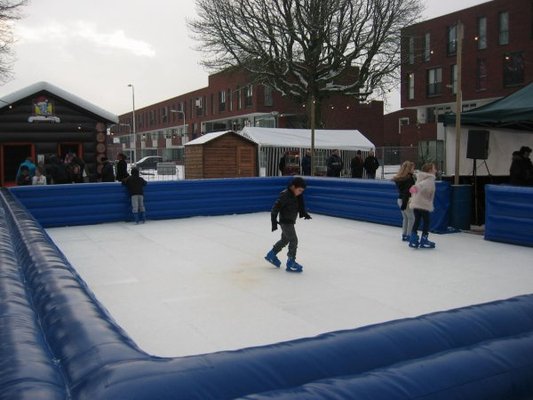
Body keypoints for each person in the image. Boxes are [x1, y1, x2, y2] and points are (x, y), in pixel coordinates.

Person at [265, 177, 312, 273]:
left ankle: (271, 254)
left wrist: (304, 213)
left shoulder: (295, 195)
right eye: (299, 190)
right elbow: (275, 208)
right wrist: (274, 221)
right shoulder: (285, 195)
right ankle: (291, 262)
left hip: (289, 221)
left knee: (285, 240)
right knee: (293, 240)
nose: (300, 193)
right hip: (286, 222)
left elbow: (298, 205)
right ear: (293, 187)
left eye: (302, 191)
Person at [408, 162, 437, 249]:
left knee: (417, 220)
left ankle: (413, 238)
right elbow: (420, 186)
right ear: (430, 170)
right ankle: (424, 240)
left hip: (417, 203)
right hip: (423, 204)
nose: (436, 170)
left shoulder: (421, 177)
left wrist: (414, 193)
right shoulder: (430, 179)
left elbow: (417, 187)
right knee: (426, 221)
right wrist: (415, 189)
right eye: (434, 168)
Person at [392, 161, 416, 241]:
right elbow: (407, 192)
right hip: (406, 200)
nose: (414, 169)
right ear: (409, 169)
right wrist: (405, 204)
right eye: (413, 168)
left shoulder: (402, 178)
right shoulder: (409, 179)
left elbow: (407, 190)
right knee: (411, 218)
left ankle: (404, 234)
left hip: (400, 200)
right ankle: (409, 235)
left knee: (405, 218)